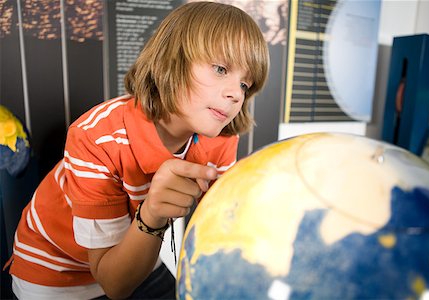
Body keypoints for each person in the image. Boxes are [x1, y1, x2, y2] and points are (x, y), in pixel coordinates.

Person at [6, 1, 269, 299]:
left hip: (141, 251)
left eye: (245, 84)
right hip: (56, 272)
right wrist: (153, 213)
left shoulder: (220, 135)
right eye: (221, 69)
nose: (236, 94)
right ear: (172, 59)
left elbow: (226, 224)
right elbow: (114, 284)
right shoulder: (95, 136)